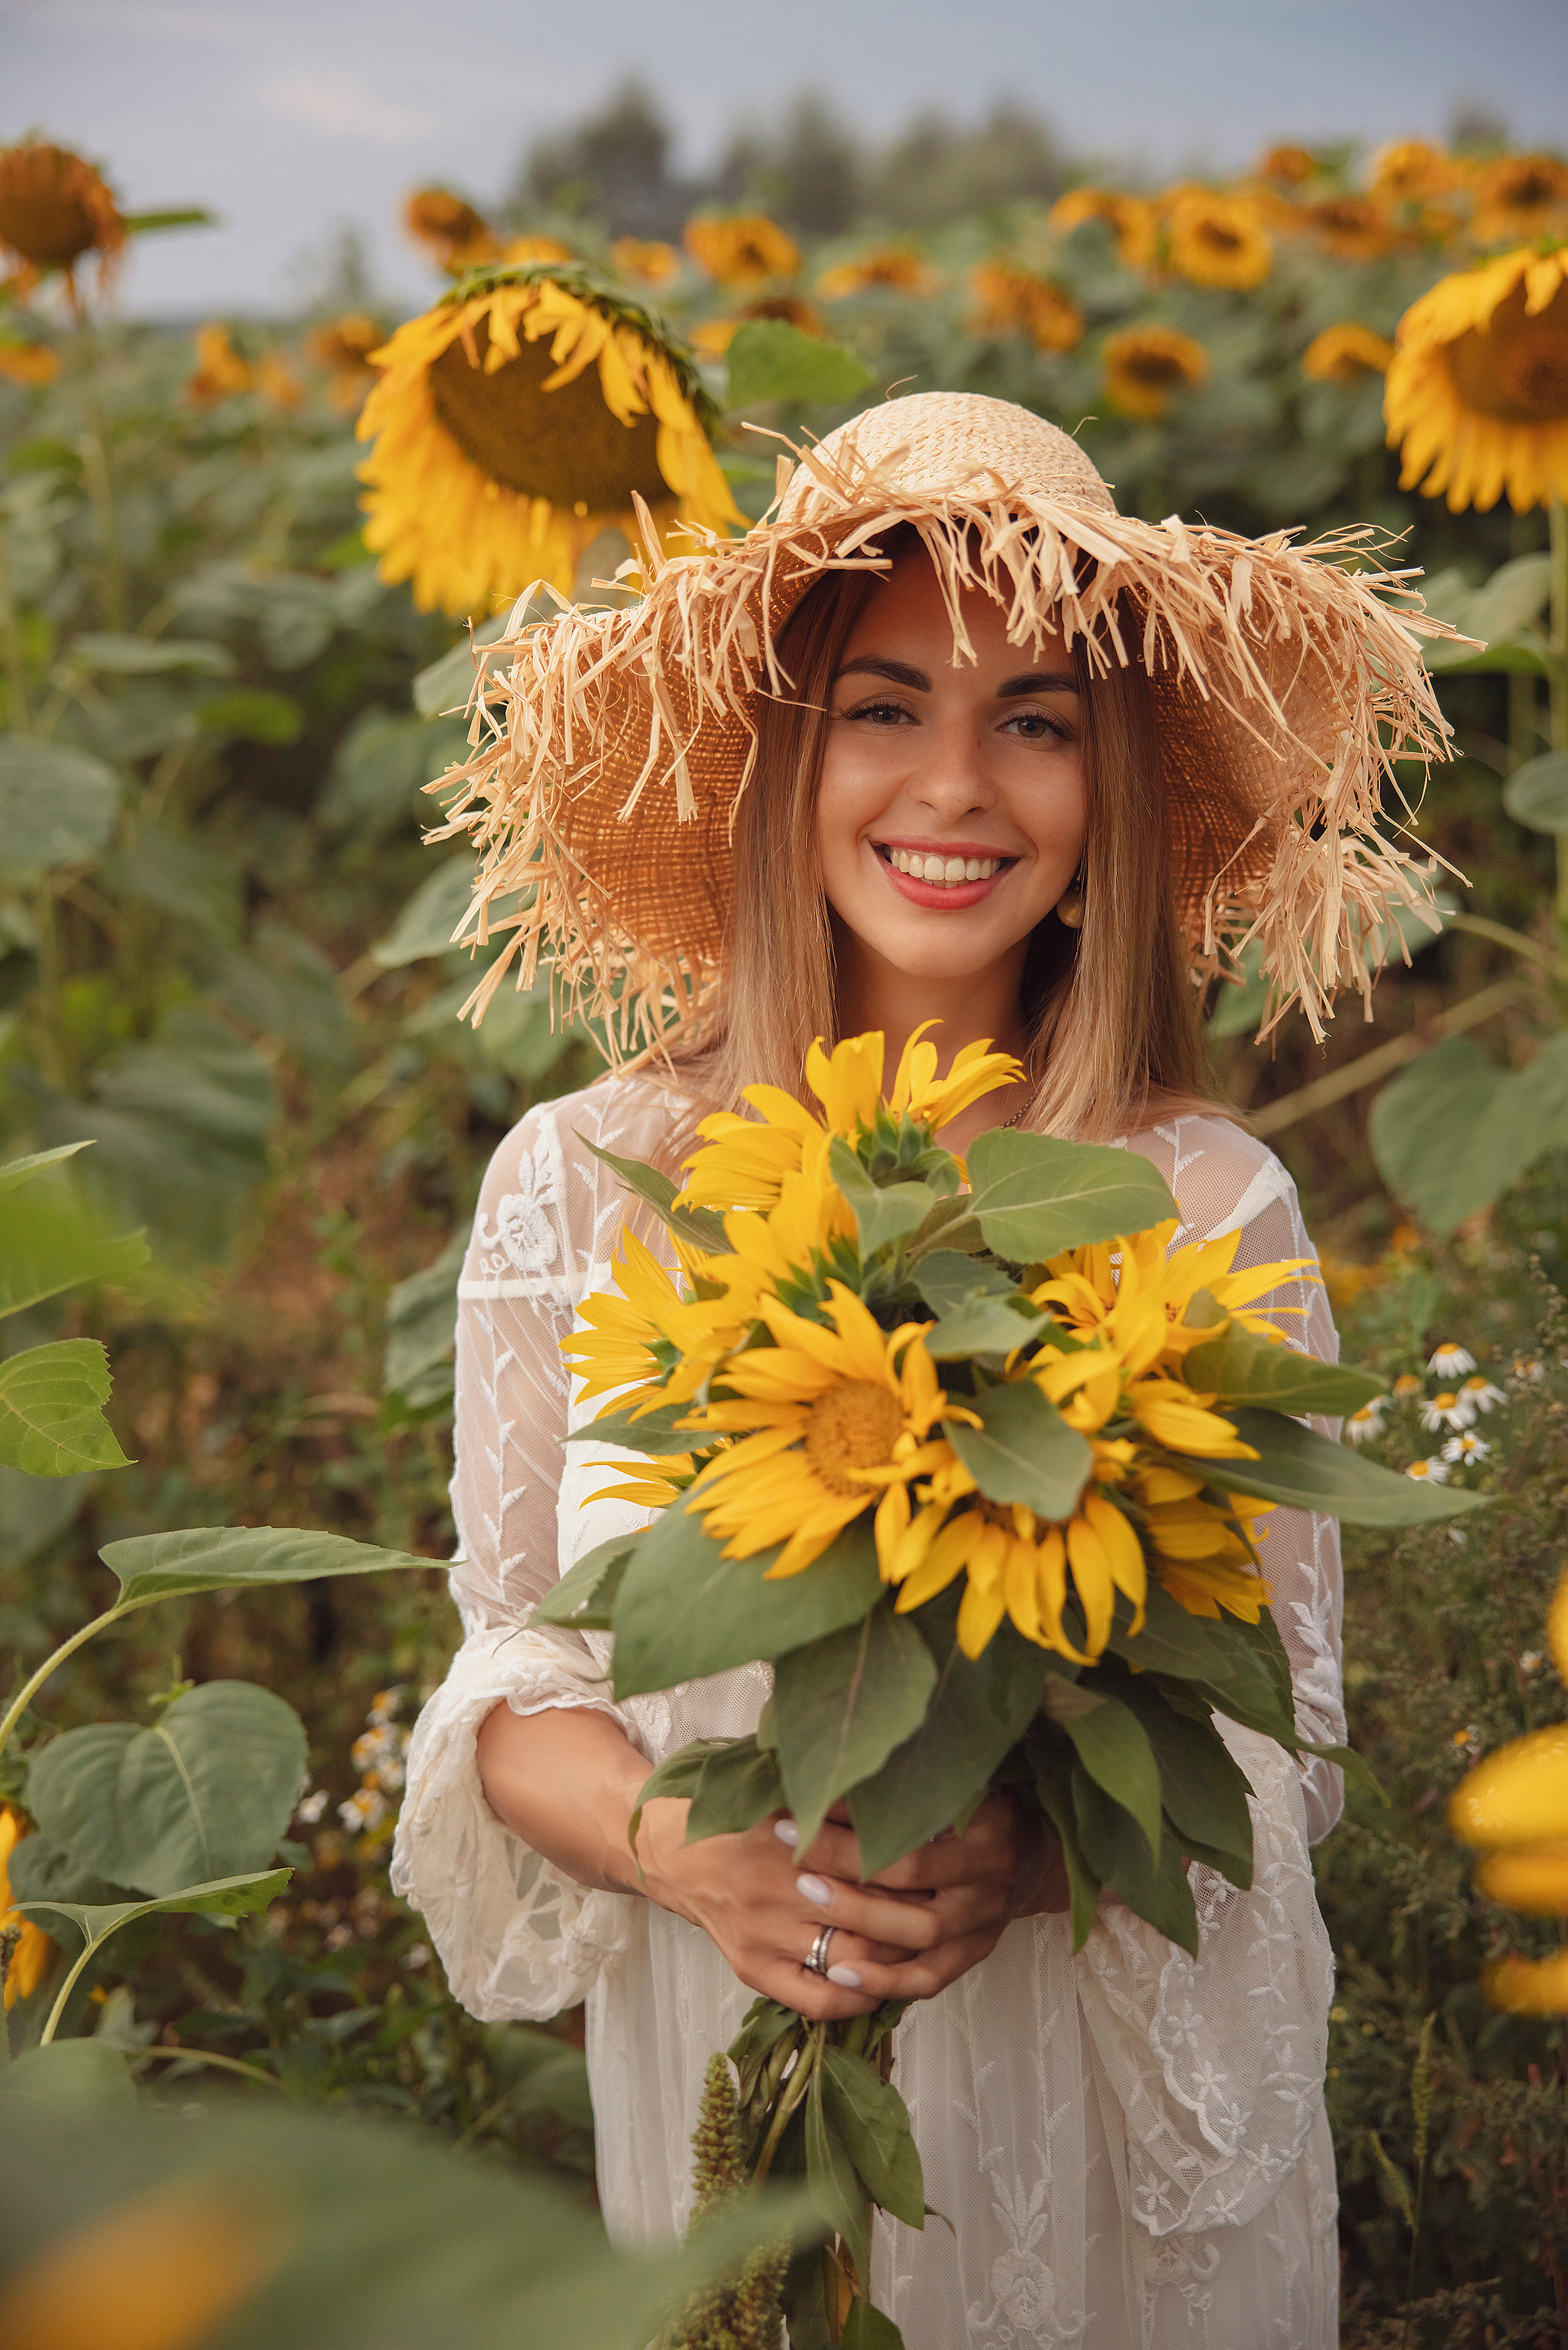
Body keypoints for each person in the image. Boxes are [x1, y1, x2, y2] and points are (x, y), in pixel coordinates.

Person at [392, 393, 1450, 2347]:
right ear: (790, 755)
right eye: (883, 707)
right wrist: (687, 1852)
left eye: (1035, 719)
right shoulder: (589, 1185)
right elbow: (511, 1675)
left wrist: (1028, 1851)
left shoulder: (1199, 1201)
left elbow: (1282, 1730)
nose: (955, 786)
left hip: (1082, 2080)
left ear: (1102, 787)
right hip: (728, 2036)